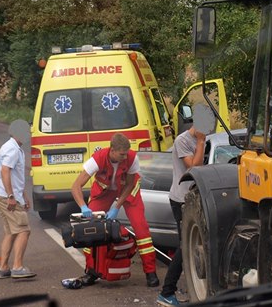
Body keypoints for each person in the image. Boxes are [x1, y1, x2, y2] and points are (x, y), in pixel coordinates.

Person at [71, 132, 159, 287]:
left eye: (126, 154)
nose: (125, 157)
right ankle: (91, 271)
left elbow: (130, 184)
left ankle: (150, 273)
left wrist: (116, 207)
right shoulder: (98, 159)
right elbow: (75, 186)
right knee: (89, 229)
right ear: (112, 150)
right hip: (104, 192)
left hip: (127, 191)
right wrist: (83, 207)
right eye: (122, 154)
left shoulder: (131, 158)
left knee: (142, 231)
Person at [156, 125, 206, 306]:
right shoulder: (182, 140)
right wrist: (201, 142)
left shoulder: (201, 138)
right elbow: (194, 167)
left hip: (193, 199)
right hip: (181, 200)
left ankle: (178, 289)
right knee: (185, 246)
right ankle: (166, 292)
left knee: (190, 245)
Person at [0, 119, 36, 280]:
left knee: (11, 232)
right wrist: (11, 196)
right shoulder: (12, 149)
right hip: (6, 196)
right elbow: (5, 171)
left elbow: (15, 176)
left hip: (2, 195)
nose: (29, 135)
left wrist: (23, 195)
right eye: (27, 132)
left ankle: (3, 268)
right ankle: (17, 267)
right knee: (24, 230)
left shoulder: (14, 148)